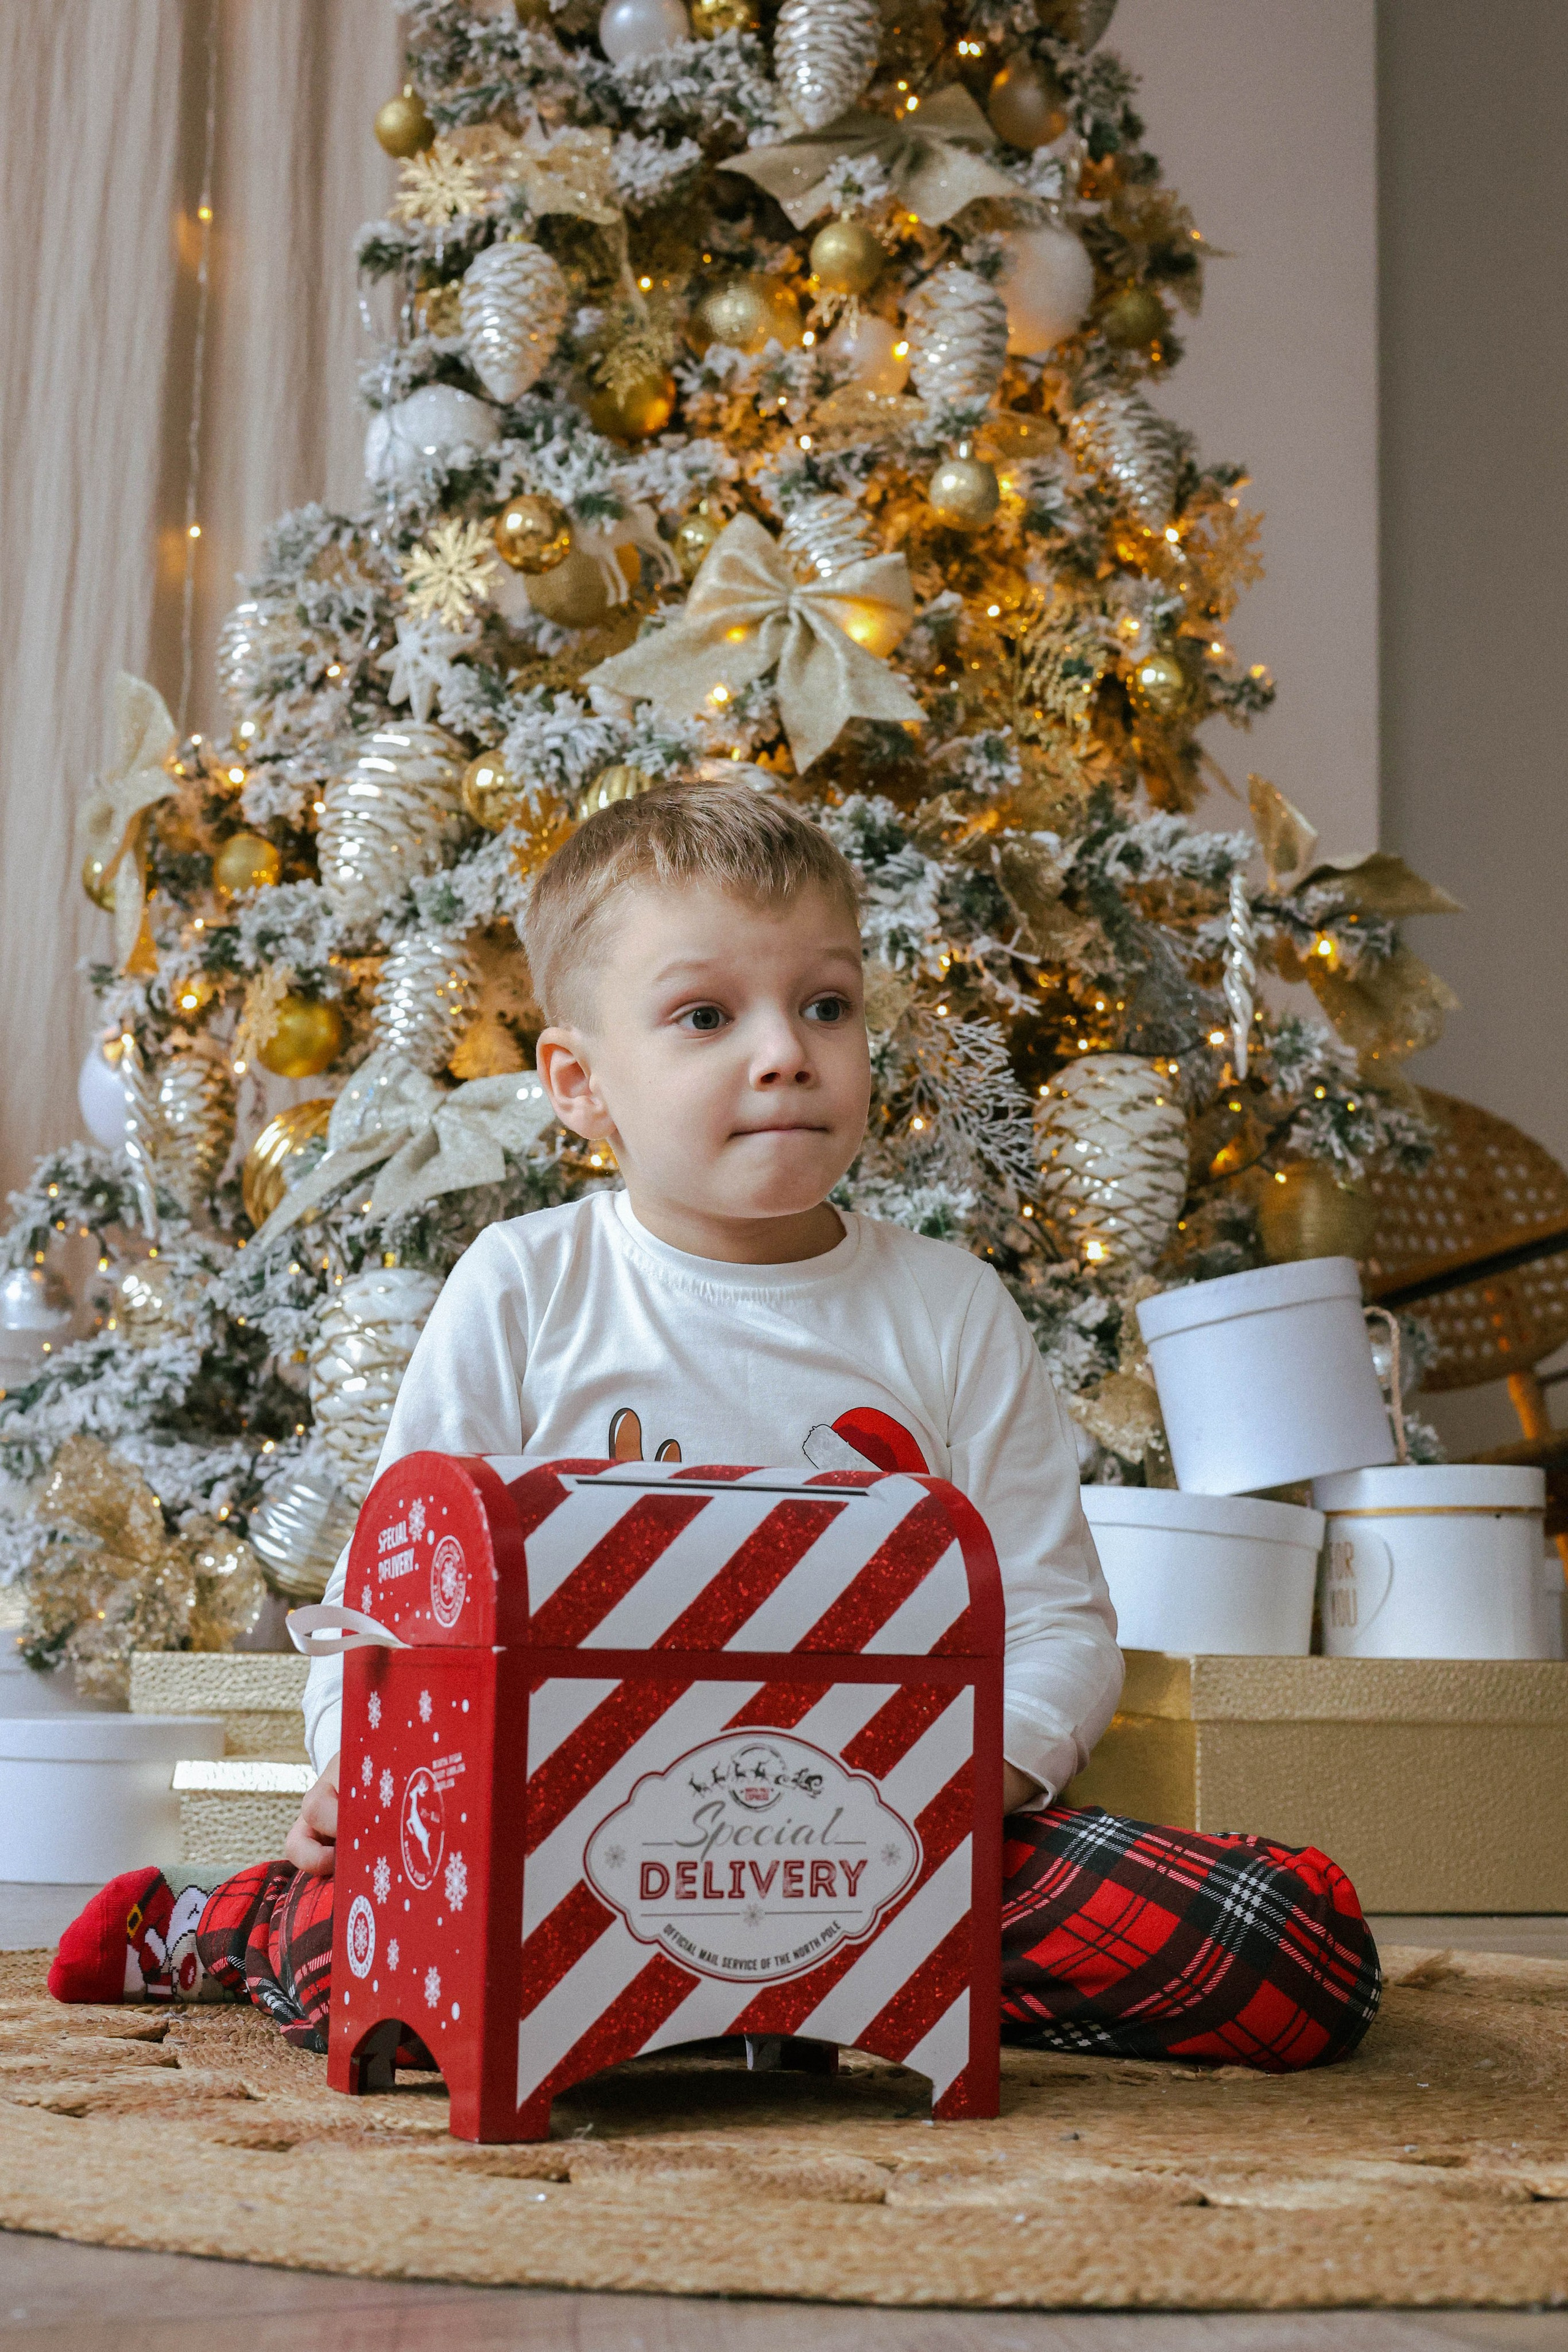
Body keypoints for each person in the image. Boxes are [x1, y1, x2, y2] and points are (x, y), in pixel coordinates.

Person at [50, 782, 1380, 2075]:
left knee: (1278, 1949)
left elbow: (1051, 1623)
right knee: (421, 1956)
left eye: (825, 1004)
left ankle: (756, 2003)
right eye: (703, 1014)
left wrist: (959, 1797)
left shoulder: (951, 1310)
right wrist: (375, 1781)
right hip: (562, 1840)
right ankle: (233, 1921)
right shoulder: (523, 1287)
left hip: (874, 1843)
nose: (786, 1050)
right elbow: (390, 1610)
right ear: (579, 1084)